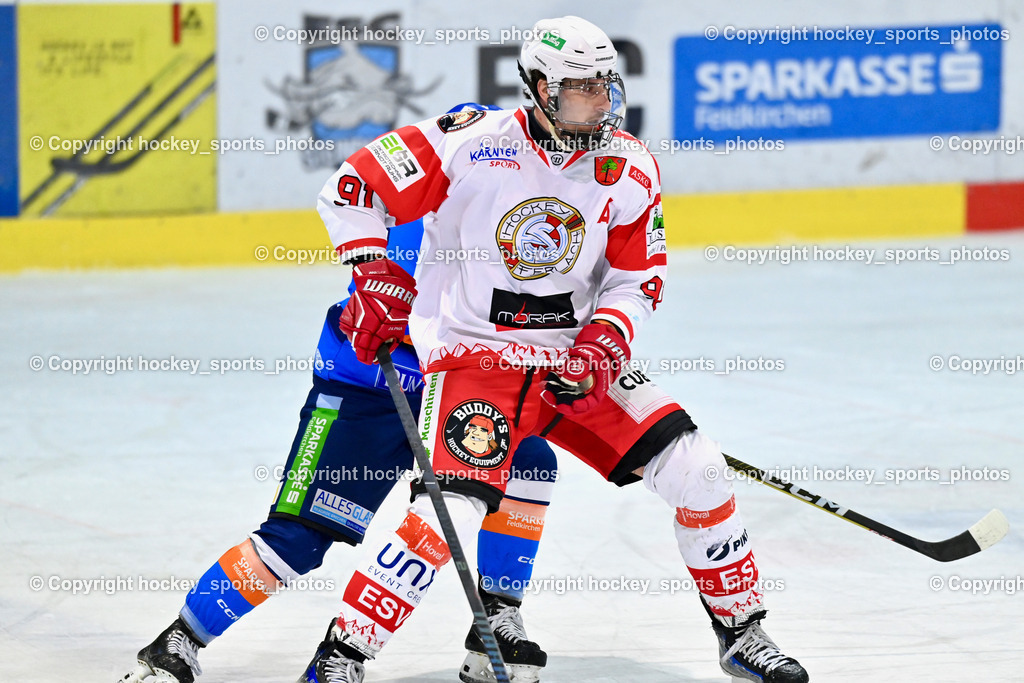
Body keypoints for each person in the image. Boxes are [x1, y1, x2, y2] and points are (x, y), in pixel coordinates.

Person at [301, 15, 809, 683]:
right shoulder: (471, 141)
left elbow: (636, 278)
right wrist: (376, 272)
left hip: (573, 363)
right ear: (539, 88)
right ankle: (343, 653)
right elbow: (352, 187)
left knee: (700, 469)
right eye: (582, 87)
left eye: (606, 84)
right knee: (445, 513)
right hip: (475, 359)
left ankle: (742, 633)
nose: (601, 99)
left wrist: (604, 340)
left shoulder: (627, 166)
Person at [118, 155, 558, 683]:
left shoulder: (522, 230)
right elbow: (349, 201)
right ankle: (180, 640)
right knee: (297, 538)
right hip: (365, 391)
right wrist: (369, 299)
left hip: (460, 390)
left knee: (530, 462)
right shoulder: (412, 203)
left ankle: (493, 625)